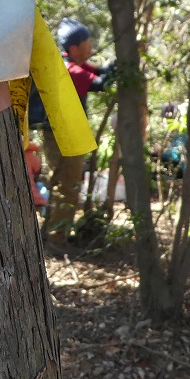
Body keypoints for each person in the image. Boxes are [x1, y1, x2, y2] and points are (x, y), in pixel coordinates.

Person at [42, 17, 113, 243]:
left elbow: (99, 72)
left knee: (64, 182)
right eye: (87, 43)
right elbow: (100, 83)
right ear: (74, 48)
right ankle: (56, 237)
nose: (91, 47)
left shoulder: (75, 65)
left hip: (63, 132)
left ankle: (53, 232)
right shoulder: (69, 70)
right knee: (67, 185)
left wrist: (113, 67)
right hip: (62, 134)